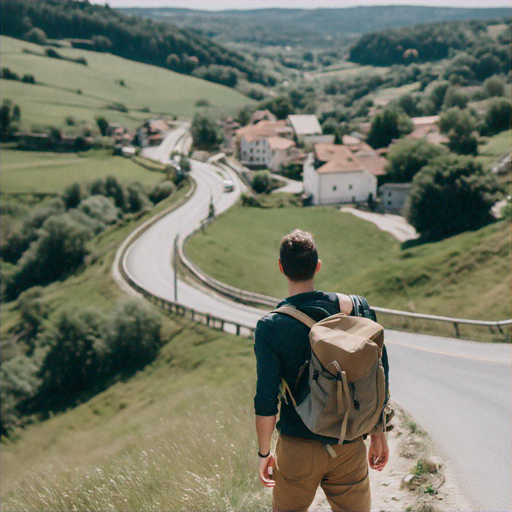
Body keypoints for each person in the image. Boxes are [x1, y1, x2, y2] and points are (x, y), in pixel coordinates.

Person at [254, 229, 389, 512]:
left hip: (297, 447)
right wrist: (378, 433)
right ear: (318, 266)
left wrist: (264, 453)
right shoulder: (358, 309)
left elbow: (266, 399)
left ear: (281, 268)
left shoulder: (271, 326)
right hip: (348, 441)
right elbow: (378, 372)